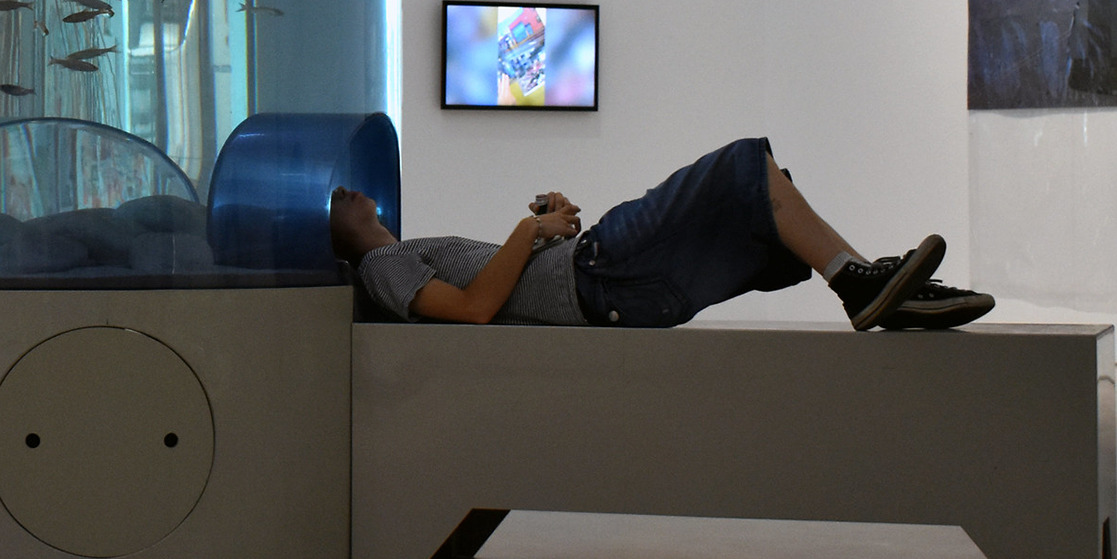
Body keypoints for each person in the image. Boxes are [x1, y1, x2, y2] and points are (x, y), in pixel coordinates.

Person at [329, 137, 994, 331]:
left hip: (605, 279)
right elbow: (475, 310)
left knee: (764, 194)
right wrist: (532, 230)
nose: (346, 190)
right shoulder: (381, 269)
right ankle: (859, 284)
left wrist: (538, 232)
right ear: (341, 238)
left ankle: (881, 291)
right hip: (601, 276)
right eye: (335, 201)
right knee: (742, 169)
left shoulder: (398, 254)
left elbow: (485, 291)